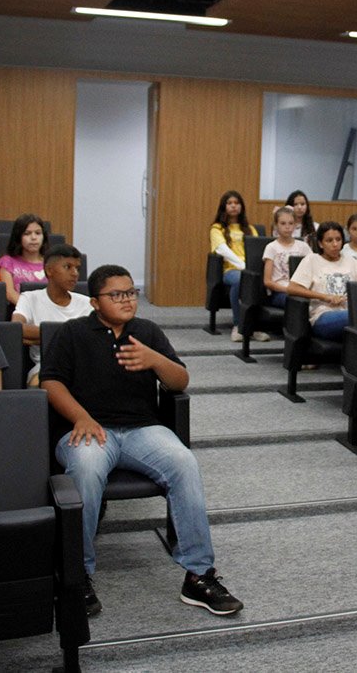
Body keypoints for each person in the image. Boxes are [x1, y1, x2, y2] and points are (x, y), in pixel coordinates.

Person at [41, 264, 243, 618]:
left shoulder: (147, 331)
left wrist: (155, 359)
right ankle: (77, 574)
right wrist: (81, 417)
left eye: (131, 292)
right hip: (88, 429)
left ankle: (198, 575)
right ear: (94, 302)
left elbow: (180, 381)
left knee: (184, 463)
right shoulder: (72, 333)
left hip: (141, 430)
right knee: (86, 470)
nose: (127, 300)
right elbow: (51, 382)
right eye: (116, 294)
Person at [12, 244, 90, 386]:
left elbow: (90, 339)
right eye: (67, 267)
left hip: (83, 363)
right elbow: (17, 329)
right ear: (49, 270)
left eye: (77, 268)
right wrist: (70, 336)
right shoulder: (29, 298)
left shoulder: (87, 303)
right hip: (46, 364)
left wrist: (44, 337)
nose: (75, 273)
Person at [287, 221, 357, 341]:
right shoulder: (312, 260)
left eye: (338, 239)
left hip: (349, 310)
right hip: (323, 315)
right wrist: (325, 297)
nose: (335, 244)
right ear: (320, 243)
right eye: (329, 241)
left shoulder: (351, 261)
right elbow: (292, 288)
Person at [209, 190, 259, 343]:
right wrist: (243, 266)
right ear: (223, 207)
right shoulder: (217, 228)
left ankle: (253, 327)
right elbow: (222, 250)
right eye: (229, 203)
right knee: (239, 279)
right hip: (230, 270)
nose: (233, 206)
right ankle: (238, 326)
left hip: (250, 270)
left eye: (236, 203)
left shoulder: (250, 229)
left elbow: (257, 250)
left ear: (241, 206)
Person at [262, 206, 311, 310]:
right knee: (296, 302)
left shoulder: (303, 246)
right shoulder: (271, 247)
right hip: (280, 292)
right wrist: (288, 289)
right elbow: (267, 281)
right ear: (276, 225)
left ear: (295, 225)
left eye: (291, 223)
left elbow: (313, 269)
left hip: (301, 289)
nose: (287, 227)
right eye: (283, 223)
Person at [0, 213, 48, 305]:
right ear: (18, 237)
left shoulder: (50, 263)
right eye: (27, 233)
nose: (33, 238)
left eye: (38, 233)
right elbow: (9, 293)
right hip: (20, 309)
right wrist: (30, 308)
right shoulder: (7, 262)